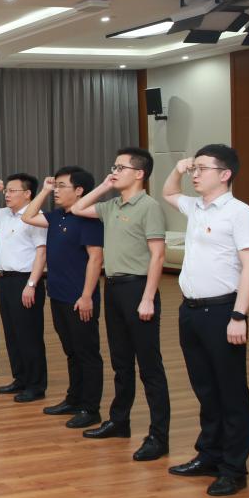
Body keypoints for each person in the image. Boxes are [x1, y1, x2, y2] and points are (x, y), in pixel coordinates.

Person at [162, 145, 249, 497]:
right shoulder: (195, 207)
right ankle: (209, 455)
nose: (195, 174)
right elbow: (168, 192)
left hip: (223, 312)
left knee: (231, 391)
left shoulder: (240, 213)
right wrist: (178, 168)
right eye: (195, 168)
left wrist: (239, 315)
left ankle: (234, 469)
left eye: (202, 168)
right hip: (190, 311)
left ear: (225, 174)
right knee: (205, 389)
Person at [71, 147, 169, 461]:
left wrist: (148, 298)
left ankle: (158, 437)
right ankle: (119, 421)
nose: (114, 171)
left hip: (138, 288)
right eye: (113, 167)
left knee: (149, 367)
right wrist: (105, 185)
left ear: (139, 173)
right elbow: (77, 207)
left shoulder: (149, 207)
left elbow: (158, 255)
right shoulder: (112, 205)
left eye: (120, 167)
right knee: (121, 362)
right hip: (113, 288)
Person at [22, 168, 105, 429]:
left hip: (80, 298)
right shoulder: (56, 216)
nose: (56, 191)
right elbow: (27, 216)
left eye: (61, 186)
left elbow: (96, 258)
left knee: (87, 353)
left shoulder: (89, 218)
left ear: (79, 190)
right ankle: (74, 399)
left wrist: (87, 296)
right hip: (57, 294)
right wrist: (45, 190)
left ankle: (90, 409)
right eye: (55, 186)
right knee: (71, 351)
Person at [0, 174, 48, 402]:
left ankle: (36, 386)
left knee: (29, 335)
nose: (6, 194)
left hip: (26, 281)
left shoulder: (35, 217)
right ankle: (20, 379)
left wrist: (31, 284)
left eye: (12, 191)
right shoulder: (4, 215)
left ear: (27, 194)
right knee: (12, 333)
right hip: (6, 280)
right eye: (6, 190)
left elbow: (41, 253)